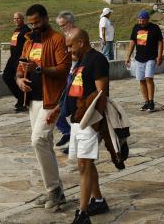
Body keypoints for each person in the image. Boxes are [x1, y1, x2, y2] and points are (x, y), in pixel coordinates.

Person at [16, 4, 70, 211]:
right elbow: (20, 68)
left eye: (37, 22)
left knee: (37, 140)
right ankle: (55, 190)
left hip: (51, 99)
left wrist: (39, 68)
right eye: (31, 23)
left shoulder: (57, 40)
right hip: (33, 100)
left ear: (46, 18)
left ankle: (54, 190)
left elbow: (64, 69)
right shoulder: (29, 41)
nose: (34, 26)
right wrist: (20, 79)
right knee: (44, 144)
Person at [60, 29, 111, 224]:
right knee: (85, 163)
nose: (68, 49)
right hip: (76, 120)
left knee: (84, 164)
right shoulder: (80, 61)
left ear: (81, 42)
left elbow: (101, 93)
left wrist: (97, 123)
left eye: (70, 45)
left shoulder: (96, 60)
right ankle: (98, 199)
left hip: (89, 120)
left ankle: (82, 213)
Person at [125, 10, 164, 112]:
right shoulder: (136, 27)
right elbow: (132, 42)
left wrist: (159, 56)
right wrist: (128, 56)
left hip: (151, 58)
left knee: (148, 78)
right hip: (139, 58)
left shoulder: (154, 28)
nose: (141, 22)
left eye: (143, 20)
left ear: (147, 19)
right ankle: (146, 102)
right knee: (141, 80)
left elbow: (160, 42)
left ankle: (151, 102)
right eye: (139, 20)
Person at [54, 11, 79, 150]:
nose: (61, 28)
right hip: (66, 74)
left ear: (70, 23)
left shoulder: (78, 35)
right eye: (59, 25)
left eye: (62, 25)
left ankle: (74, 139)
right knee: (56, 107)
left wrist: (66, 55)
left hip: (76, 76)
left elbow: (82, 55)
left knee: (69, 110)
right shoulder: (65, 36)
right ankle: (67, 132)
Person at [3, 12, 30, 112]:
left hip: (20, 59)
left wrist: (23, 59)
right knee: (6, 76)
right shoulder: (16, 31)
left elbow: (28, 45)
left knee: (21, 79)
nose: (16, 20)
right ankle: (20, 97)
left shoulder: (26, 30)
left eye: (18, 18)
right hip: (12, 58)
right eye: (14, 19)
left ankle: (22, 102)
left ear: (23, 19)